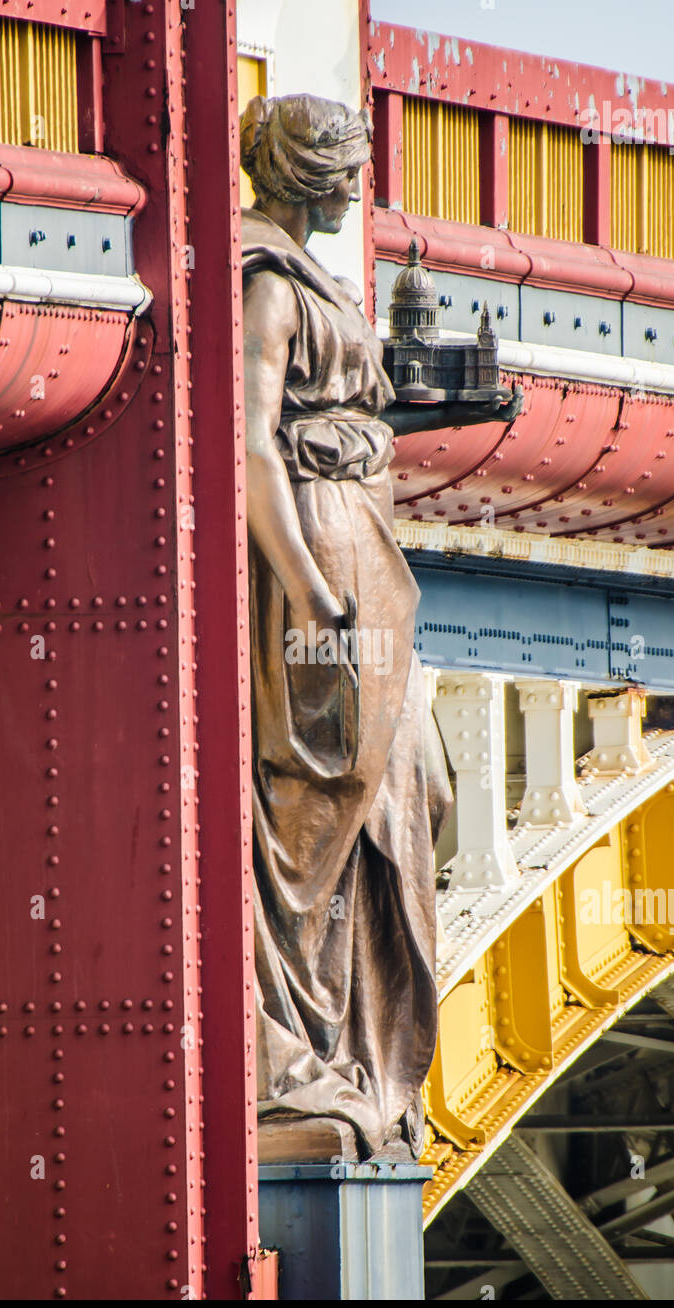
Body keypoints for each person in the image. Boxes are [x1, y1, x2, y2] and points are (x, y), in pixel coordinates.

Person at [242, 93, 452, 1161]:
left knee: (416, 784)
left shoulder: (309, 275)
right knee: (318, 796)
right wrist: (310, 592)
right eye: (345, 169)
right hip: (320, 554)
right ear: (305, 173)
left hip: (364, 541)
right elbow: (249, 450)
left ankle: (352, 1040)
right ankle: (297, 1047)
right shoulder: (267, 282)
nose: (356, 189)